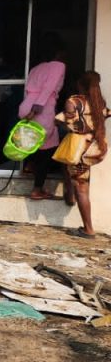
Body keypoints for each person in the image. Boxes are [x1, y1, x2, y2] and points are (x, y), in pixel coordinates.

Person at [59, 71, 111, 238]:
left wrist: (59, 119)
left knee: (81, 188)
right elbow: (104, 117)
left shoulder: (74, 101)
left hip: (78, 149)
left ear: (80, 84)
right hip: (93, 148)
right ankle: (69, 195)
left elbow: (69, 125)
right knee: (76, 178)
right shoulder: (100, 103)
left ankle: (88, 229)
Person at [18, 51, 66, 200]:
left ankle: (30, 165)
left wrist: (28, 109)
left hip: (27, 105)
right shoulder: (59, 65)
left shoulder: (35, 68)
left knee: (36, 142)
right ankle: (37, 189)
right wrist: (36, 109)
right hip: (41, 109)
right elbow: (48, 88)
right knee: (47, 150)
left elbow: (27, 90)